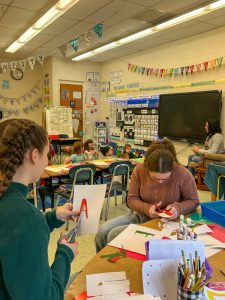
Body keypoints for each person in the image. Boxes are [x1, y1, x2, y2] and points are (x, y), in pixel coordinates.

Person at [0, 118, 79, 299]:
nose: (47, 162)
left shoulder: (13, 206)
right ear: (34, 155)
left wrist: (52, 217)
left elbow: (10, 232)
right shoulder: (27, 218)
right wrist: (65, 254)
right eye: (47, 153)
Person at [95, 139, 199, 252]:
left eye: (165, 179)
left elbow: (193, 201)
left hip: (171, 223)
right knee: (102, 231)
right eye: (155, 178)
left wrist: (178, 208)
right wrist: (147, 209)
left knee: (113, 234)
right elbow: (131, 199)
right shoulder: (140, 170)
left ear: (173, 167)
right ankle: (101, 267)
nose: (159, 182)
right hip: (144, 216)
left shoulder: (182, 173)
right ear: (147, 167)